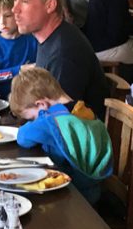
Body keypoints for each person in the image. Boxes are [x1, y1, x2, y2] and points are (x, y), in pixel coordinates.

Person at [11, 0, 110, 119]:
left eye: (24, 2)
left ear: (50, 6)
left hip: (77, 138)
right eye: (15, 1)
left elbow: (61, 120)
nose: (14, 10)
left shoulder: (64, 53)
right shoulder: (51, 37)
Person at [10, 67, 112, 204]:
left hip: (74, 195)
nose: (34, 121)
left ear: (42, 104)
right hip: (94, 188)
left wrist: (36, 122)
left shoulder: (52, 121)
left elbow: (23, 137)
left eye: (32, 118)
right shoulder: (84, 111)